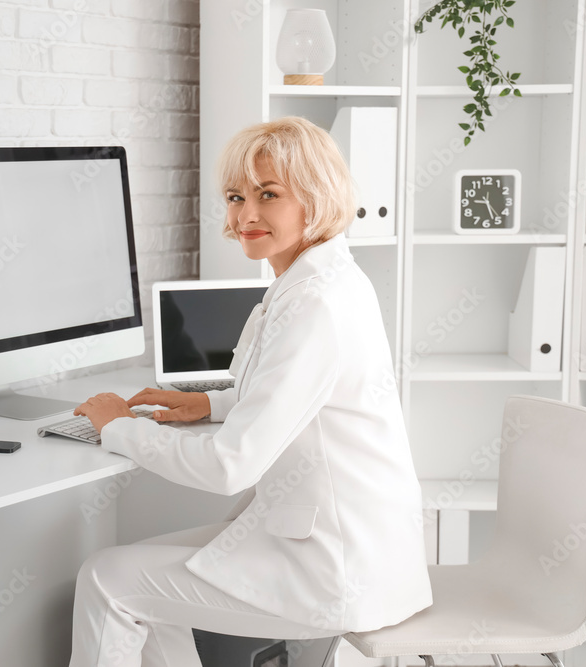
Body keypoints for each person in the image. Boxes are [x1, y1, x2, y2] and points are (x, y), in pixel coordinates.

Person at [69, 116, 432, 667]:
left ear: (315, 196)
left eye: (269, 195)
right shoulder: (323, 281)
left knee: (107, 579)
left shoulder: (314, 303)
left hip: (335, 571)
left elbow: (228, 467)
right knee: (136, 569)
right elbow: (301, 398)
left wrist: (118, 427)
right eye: (236, 197)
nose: (246, 215)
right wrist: (208, 404)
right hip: (359, 549)